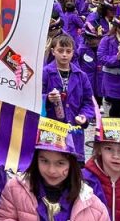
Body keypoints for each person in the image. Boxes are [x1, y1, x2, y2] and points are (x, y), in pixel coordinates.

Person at [41, 33, 95, 162]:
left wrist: (84, 116)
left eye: (68, 51)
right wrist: (47, 98)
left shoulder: (81, 76)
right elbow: (34, 97)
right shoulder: (45, 73)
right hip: (50, 129)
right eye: (60, 51)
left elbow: (88, 102)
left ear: (73, 53)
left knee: (73, 165)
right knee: (52, 163)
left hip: (74, 130)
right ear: (53, 52)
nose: (64, 54)